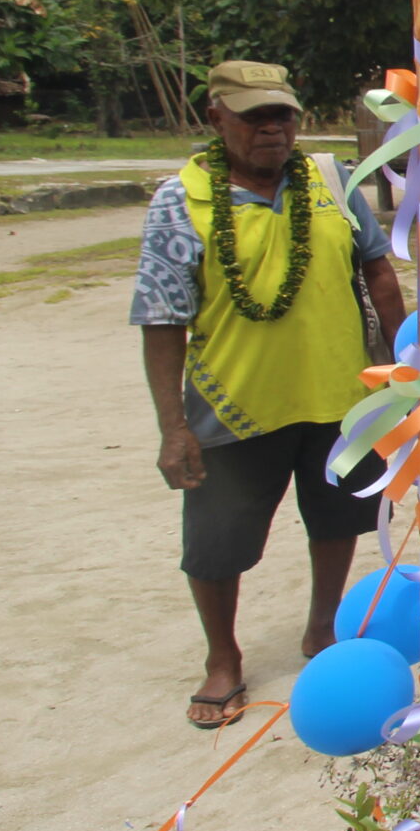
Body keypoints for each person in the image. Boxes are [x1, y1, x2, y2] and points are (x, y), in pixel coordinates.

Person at [131, 59, 405, 729]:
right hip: (236, 405)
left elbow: (379, 273)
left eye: (282, 114)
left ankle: (322, 628)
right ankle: (222, 657)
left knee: (339, 519)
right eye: (254, 116)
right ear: (215, 118)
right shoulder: (181, 199)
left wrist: (406, 372)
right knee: (217, 541)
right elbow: (162, 318)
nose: (272, 129)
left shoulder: (335, 182)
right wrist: (173, 426)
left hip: (341, 398)